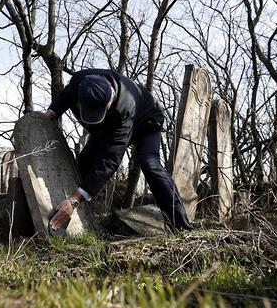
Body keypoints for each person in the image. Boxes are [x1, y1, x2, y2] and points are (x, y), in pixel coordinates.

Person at [45, 69, 193, 232]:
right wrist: (51, 113)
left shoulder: (125, 107)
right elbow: (67, 94)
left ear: (110, 101)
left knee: (150, 164)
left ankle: (181, 226)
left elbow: (109, 160)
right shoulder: (79, 81)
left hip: (147, 122)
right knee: (85, 160)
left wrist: (75, 199)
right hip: (109, 126)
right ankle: (78, 220)